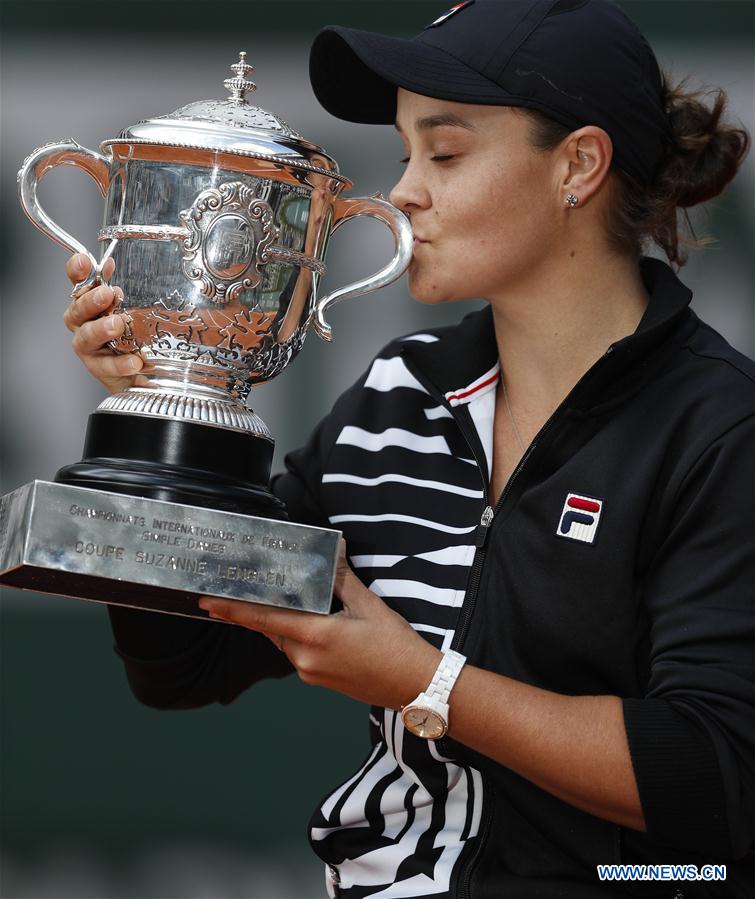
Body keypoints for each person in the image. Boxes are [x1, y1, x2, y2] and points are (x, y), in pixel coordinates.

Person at [62, 1, 754, 896]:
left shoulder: (718, 428)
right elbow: (188, 661)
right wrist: (167, 406)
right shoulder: (402, 392)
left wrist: (427, 682)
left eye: (447, 152)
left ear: (577, 166)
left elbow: (715, 779)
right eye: (403, 153)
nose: (402, 192)